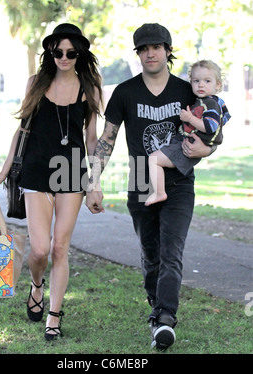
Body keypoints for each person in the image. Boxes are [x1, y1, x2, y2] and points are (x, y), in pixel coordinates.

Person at [86, 23, 217, 350]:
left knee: (171, 253)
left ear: (168, 50)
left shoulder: (187, 90)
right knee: (151, 257)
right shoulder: (125, 92)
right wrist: (93, 183)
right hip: (142, 183)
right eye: (144, 48)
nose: (151, 53)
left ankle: (164, 319)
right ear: (138, 53)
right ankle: (157, 303)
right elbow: (107, 140)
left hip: (180, 184)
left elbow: (212, 131)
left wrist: (209, 149)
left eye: (157, 47)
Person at [0, 23, 103, 341]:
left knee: (60, 248)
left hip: (71, 173)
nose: (63, 57)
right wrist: (2, 172)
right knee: (39, 250)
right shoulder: (36, 83)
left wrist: (95, 183)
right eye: (57, 51)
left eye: (70, 52)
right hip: (36, 171)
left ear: (79, 53)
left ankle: (54, 315)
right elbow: (22, 131)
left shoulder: (90, 87)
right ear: (50, 52)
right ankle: (36, 285)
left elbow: (92, 141)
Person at [145, 60, 231, 206]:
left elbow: (210, 126)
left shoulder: (210, 104)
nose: (201, 85)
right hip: (184, 142)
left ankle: (159, 193)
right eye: (196, 81)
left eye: (207, 81)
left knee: (154, 159)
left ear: (218, 85)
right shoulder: (206, 101)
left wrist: (190, 118)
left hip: (188, 145)